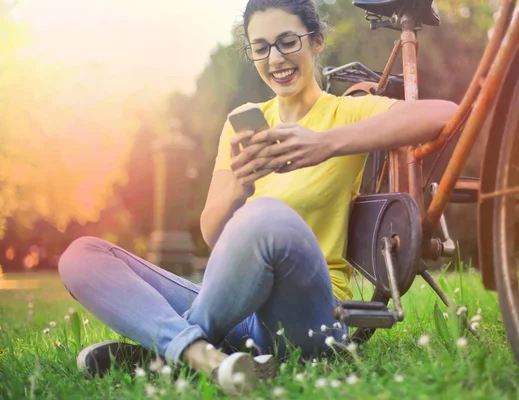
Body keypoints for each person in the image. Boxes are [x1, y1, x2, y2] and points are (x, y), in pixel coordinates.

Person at [58, 0, 457, 394]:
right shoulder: (242, 122)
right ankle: (203, 357)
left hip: (310, 315)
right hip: (237, 310)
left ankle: (166, 351)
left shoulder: (344, 114)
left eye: (287, 41)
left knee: (268, 217)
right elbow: (213, 234)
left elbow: (443, 114)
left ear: (317, 41)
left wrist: (325, 144)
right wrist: (238, 187)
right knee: (82, 256)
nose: (275, 58)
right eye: (261, 47)